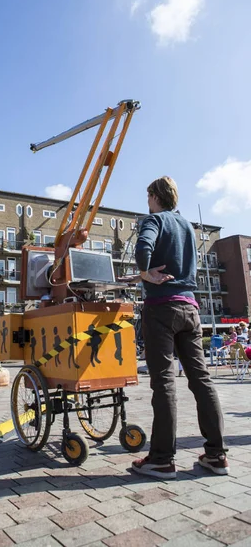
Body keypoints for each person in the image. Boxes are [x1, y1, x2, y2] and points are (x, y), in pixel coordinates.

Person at [131, 176, 228, 479]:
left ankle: (161, 459)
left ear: (154, 196)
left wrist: (145, 273)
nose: (147, 202)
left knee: (163, 382)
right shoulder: (187, 226)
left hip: (161, 309)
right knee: (201, 380)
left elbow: (143, 247)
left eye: (148, 197)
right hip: (191, 308)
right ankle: (216, 455)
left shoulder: (154, 219)